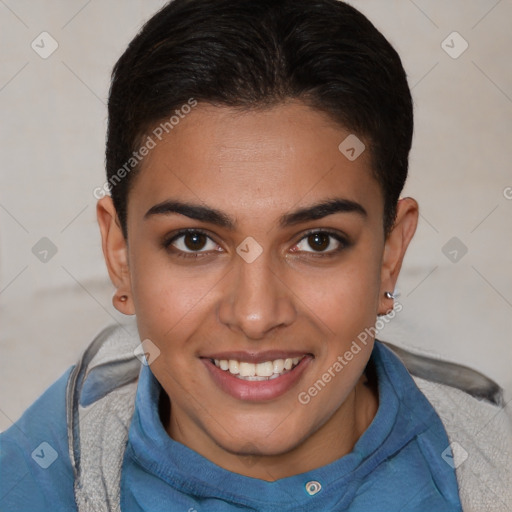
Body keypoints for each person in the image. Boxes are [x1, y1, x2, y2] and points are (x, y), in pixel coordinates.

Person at [1, 0, 510, 511]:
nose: (255, 315)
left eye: (317, 241)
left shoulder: (493, 470)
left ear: (390, 255)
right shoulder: (28, 482)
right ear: (119, 254)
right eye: (194, 241)